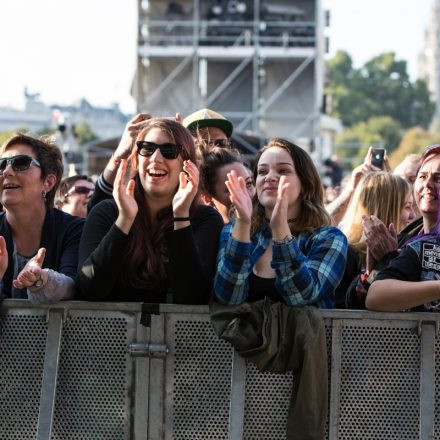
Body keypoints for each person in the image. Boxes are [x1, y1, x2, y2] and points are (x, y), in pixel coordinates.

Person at [77, 118, 224, 303]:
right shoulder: (106, 212)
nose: (155, 158)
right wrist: (124, 221)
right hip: (110, 331)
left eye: (169, 151)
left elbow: (191, 297)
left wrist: (181, 217)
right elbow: (89, 289)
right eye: (146, 148)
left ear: (187, 165)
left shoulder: (205, 219)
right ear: (136, 161)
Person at [214, 138, 348, 308]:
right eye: (262, 172)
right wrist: (243, 223)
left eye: (283, 171)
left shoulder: (329, 238)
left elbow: (300, 296)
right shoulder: (234, 229)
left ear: (305, 184)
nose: (269, 177)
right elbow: (228, 297)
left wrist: (280, 230)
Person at [0, 133, 84, 303]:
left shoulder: (74, 229)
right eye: (1, 165)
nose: (7, 172)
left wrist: (40, 280)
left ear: (48, 182)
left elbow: (72, 285)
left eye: (20, 163)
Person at [367, 145, 440, 312]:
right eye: (422, 177)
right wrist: (379, 266)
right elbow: (370, 298)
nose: (427, 184)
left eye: (438, 178)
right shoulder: (404, 241)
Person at [336, 172, 415, 308]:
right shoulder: (343, 253)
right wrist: (376, 270)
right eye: (407, 207)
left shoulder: (409, 247)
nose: (413, 215)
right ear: (385, 209)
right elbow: (344, 313)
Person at [200, 148, 254, 224]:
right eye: (233, 188)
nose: (247, 196)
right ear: (207, 198)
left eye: (248, 184)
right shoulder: (209, 234)